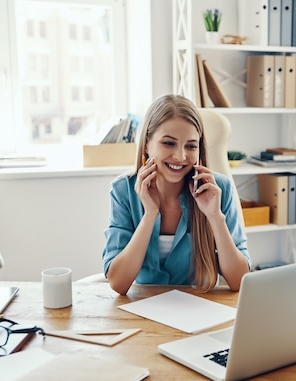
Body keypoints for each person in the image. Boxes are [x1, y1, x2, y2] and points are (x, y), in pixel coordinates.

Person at [102, 94, 250, 295]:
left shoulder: (218, 188)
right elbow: (118, 283)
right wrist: (150, 215)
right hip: (144, 309)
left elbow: (239, 281)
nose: (180, 157)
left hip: (201, 307)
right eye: (169, 143)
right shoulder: (123, 191)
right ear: (146, 144)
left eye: (191, 146)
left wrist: (215, 217)